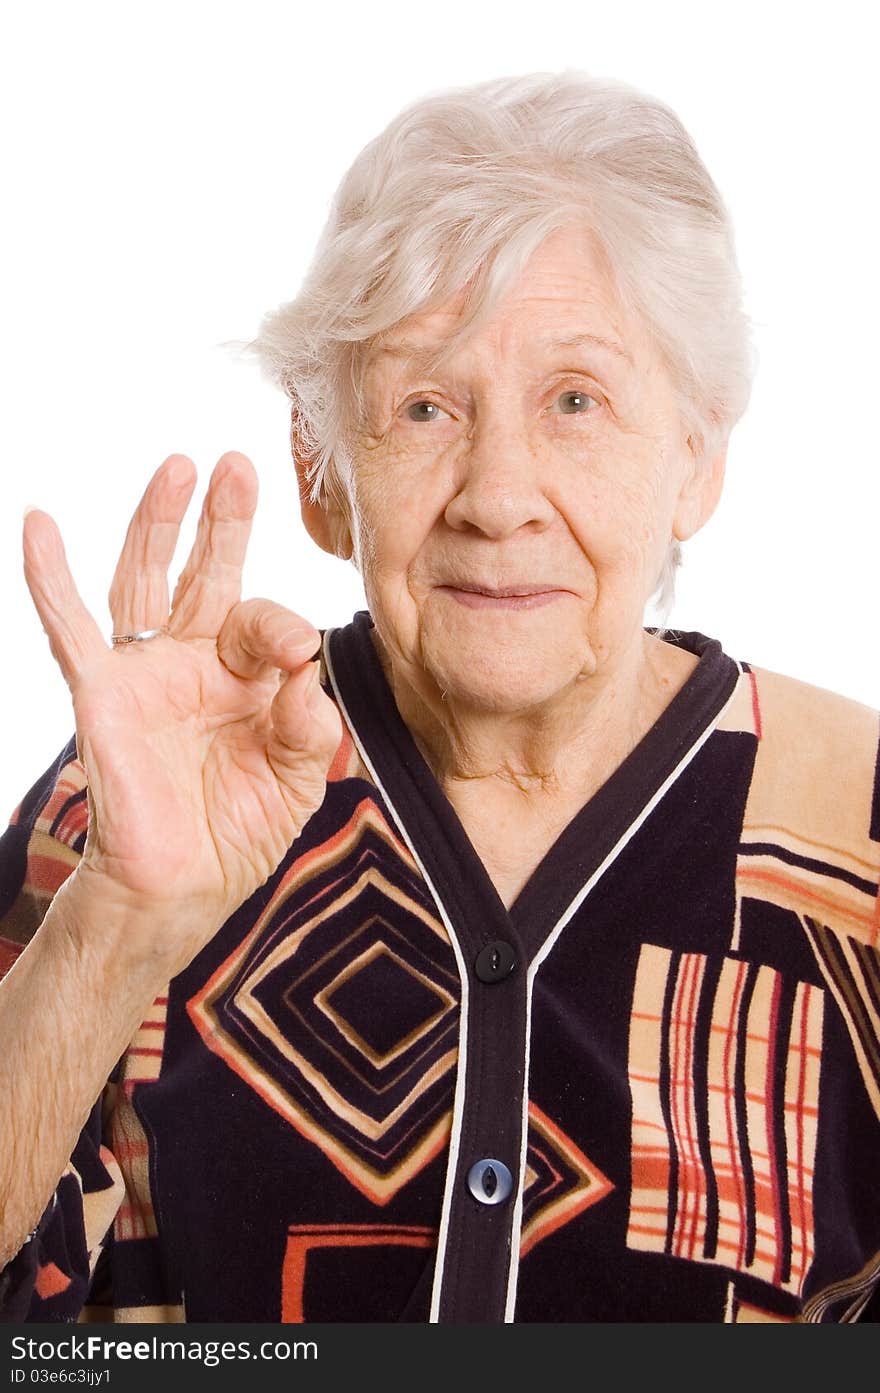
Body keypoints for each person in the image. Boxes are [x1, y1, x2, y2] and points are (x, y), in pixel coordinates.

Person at [1, 69, 878, 1326]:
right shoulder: (129, 805)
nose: (496, 493)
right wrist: (112, 927)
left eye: (575, 400)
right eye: (424, 406)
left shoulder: (854, 828)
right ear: (321, 468)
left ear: (695, 456)